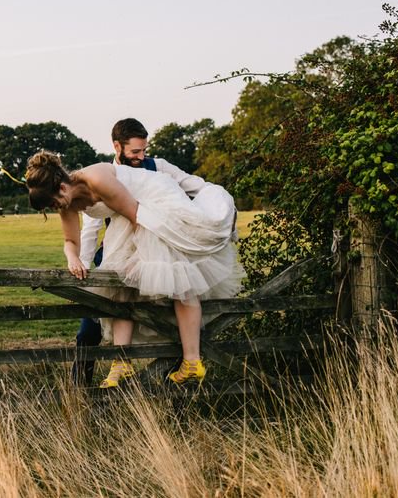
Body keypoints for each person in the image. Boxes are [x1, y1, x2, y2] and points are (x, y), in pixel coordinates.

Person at [25, 150, 243, 387]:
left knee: (177, 273)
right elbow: (71, 241)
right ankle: (121, 363)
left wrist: (142, 258)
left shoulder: (98, 179)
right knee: (121, 284)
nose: (55, 207)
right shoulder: (65, 203)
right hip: (130, 215)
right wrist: (72, 259)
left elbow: (136, 214)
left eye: (53, 203)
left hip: (153, 204)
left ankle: (192, 363)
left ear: (62, 188)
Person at [73, 118, 207, 386]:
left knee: (177, 295)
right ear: (117, 146)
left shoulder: (159, 166)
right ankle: (81, 382)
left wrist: (214, 199)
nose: (141, 157)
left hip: (158, 245)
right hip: (116, 248)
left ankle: (174, 366)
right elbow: (91, 227)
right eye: (135, 152)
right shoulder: (103, 176)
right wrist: (83, 267)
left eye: (144, 150)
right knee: (91, 322)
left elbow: (191, 183)